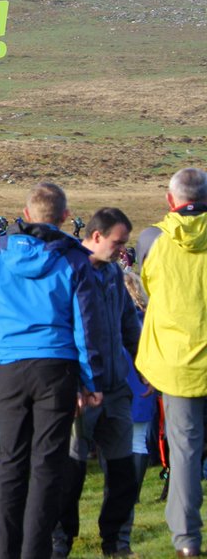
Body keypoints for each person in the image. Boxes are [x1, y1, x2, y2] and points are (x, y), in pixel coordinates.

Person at [0, 182, 107, 559]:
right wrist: (91, 380)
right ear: (65, 217)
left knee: (11, 462)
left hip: (12, 366)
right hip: (57, 367)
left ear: (26, 215)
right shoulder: (74, 259)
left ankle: (5, 553)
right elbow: (86, 324)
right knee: (48, 463)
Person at [51, 207, 142, 558]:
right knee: (70, 474)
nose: (123, 250)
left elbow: (127, 324)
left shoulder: (114, 274)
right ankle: (61, 542)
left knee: (122, 471)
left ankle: (117, 543)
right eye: (118, 243)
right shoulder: (69, 271)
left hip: (116, 387)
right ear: (97, 236)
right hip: (81, 390)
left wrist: (142, 364)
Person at [135, 168, 207, 557]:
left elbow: (148, 288)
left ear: (170, 200)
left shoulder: (152, 239)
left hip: (177, 363)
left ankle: (186, 539)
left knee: (184, 451)